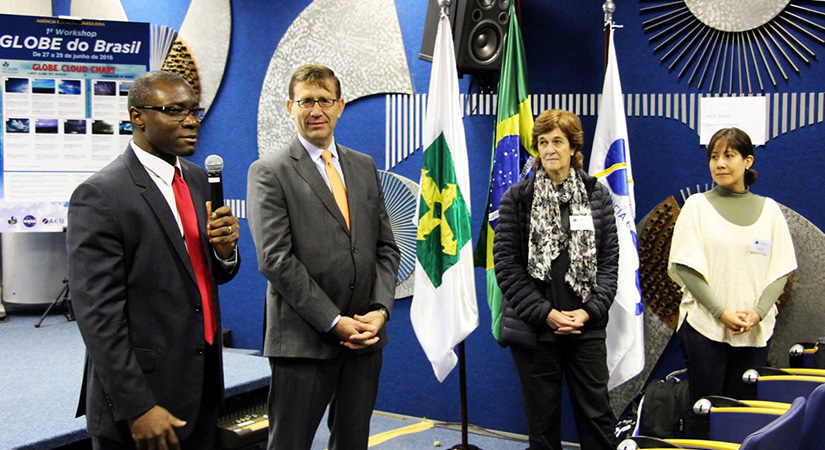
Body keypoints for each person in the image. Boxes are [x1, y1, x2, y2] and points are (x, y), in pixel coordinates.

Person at [67, 70, 241, 450]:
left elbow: (200, 275)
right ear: (138, 116)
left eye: (194, 111)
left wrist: (225, 254)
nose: (190, 121)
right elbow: (97, 314)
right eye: (175, 111)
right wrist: (137, 406)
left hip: (201, 383)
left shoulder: (197, 180)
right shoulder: (101, 194)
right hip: (144, 400)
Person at [247, 64, 400, 450]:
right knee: (289, 443)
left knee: (353, 442)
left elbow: (386, 248)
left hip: (365, 337)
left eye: (324, 101)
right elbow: (275, 260)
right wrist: (333, 322)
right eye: (306, 101)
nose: (316, 110)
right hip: (304, 340)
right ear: (289, 106)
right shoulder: (270, 171)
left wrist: (380, 311)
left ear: (340, 106)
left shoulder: (363, 166)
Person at [493, 109, 619, 450]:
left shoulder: (597, 196)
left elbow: (609, 266)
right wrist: (546, 313)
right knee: (542, 426)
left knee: (597, 419)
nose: (549, 149)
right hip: (535, 331)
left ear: (574, 148)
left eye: (557, 141)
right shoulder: (517, 199)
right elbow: (506, 267)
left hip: (585, 330)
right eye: (543, 142)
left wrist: (588, 311)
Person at [668, 127, 796, 434]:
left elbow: (781, 269)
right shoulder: (696, 207)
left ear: (748, 161)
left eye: (729, 155)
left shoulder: (770, 211)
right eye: (714, 156)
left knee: (742, 413)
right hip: (705, 326)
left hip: (754, 329)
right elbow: (686, 267)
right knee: (706, 409)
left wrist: (759, 312)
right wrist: (720, 312)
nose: (720, 163)